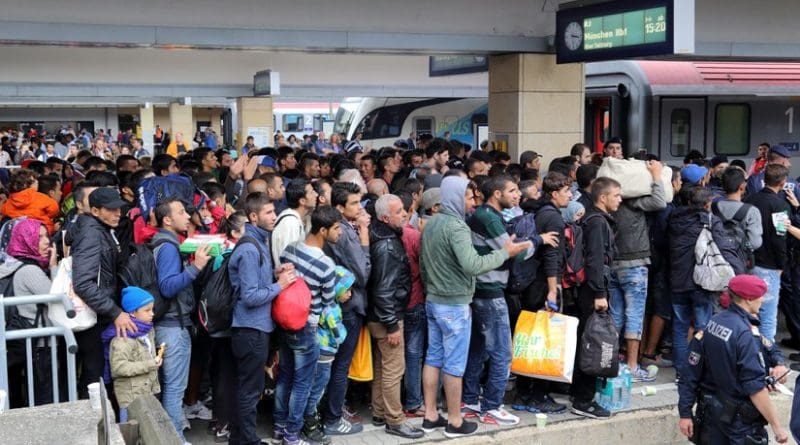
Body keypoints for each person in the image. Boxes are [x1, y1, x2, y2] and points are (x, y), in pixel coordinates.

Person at [419, 176, 531, 438]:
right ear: (455, 198)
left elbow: (424, 264)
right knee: (455, 364)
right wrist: (506, 253)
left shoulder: (433, 222)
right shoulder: (456, 226)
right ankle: (455, 421)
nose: (472, 204)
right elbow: (472, 265)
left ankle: (430, 415)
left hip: (433, 300)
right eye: (468, 198)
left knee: (433, 358)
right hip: (454, 304)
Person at [463, 174, 540, 426]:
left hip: (479, 292)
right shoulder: (488, 217)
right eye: (512, 190)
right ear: (497, 194)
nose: (518, 195)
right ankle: (492, 406)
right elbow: (514, 252)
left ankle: (471, 401)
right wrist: (537, 241)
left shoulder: (485, 215)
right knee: (502, 353)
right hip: (490, 293)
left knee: (478, 350)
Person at [677, 275, 789, 444]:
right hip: (738, 426)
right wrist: (777, 426)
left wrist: (685, 413)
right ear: (749, 299)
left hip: (711, 419)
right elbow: (755, 389)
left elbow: (689, 374)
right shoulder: (744, 334)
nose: (763, 301)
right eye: (761, 296)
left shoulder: (713, 323)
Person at [228, 192, 295, 445]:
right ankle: (248, 441)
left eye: (274, 211)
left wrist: (275, 273)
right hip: (249, 329)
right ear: (253, 217)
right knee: (249, 391)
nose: (274, 216)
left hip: (254, 328)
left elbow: (255, 283)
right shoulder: (249, 248)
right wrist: (280, 284)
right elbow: (250, 296)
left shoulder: (258, 244)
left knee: (247, 388)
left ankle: (240, 439)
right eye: (268, 212)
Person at [276, 205, 342, 445]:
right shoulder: (326, 264)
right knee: (302, 383)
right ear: (323, 230)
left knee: (285, 376)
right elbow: (328, 301)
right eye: (336, 228)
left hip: (284, 322)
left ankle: (279, 425)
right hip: (306, 328)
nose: (340, 233)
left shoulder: (290, 250)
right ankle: (292, 434)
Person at [152, 198, 212, 442]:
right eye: (181, 212)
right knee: (175, 389)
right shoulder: (167, 247)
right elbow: (167, 287)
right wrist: (195, 267)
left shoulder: (165, 242)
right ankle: (175, 438)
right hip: (172, 327)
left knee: (172, 387)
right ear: (167, 219)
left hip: (171, 324)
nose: (188, 216)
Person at [367, 194, 424, 439]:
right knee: (393, 369)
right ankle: (395, 420)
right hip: (386, 317)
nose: (405, 213)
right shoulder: (388, 245)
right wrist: (392, 325)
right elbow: (383, 290)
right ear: (384, 218)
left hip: (378, 315)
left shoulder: (384, 236)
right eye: (399, 211)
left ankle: (380, 412)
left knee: (383, 366)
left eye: (403, 209)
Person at [608, 159, 666, 382]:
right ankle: (632, 366)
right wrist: (656, 175)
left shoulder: (607, 204)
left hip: (613, 264)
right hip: (634, 265)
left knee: (615, 317)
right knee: (634, 316)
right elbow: (660, 201)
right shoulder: (632, 202)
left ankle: (611, 364)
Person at [321, 183, 371, 436]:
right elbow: (363, 273)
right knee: (340, 366)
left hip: (345, 305)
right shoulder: (344, 232)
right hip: (348, 308)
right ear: (339, 207)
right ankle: (332, 418)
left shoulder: (340, 228)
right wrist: (364, 235)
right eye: (354, 203)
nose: (360, 208)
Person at [72, 188, 132, 398]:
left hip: (97, 314)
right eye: (111, 209)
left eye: (119, 208)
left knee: (95, 374)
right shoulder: (92, 234)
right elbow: (83, 283)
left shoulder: (100, 229)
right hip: (93, 317)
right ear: (95, 211)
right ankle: (92, 426)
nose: (118, 213)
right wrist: (114, 312)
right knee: (94, 377)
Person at [570, 177, 622, 418]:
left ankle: (580, 393)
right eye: (616, 195)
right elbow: (596, 260)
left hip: (589, 288)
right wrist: (600, 294)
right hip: (592, 291)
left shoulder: (593, 219)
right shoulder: (598, 222)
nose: (620, 200)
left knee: (588, 339)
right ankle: (583, 399)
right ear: (603, 197)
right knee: (593, 342)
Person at [0, 218, 59, 406]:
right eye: (38, 237)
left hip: (24, 342)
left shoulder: (12, 265)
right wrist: (54, 267)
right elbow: (56, 298)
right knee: (46, 395)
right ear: (25, 240)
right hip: (40, 344)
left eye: (46, 236)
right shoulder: (30, 270)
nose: (46, 241)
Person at [104, 286, 162, 423]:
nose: (152, 313)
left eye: (152, 309)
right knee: (130, 434)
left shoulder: (147, 331)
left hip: (147, 394)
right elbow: (118, 368)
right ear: (132, 313)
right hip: (130, 400)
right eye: (147, 310)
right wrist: (150, 364)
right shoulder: (122, 338)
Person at [271, 178, 317, 266]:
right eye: (311, 192)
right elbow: (289, 259)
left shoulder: (302, 218)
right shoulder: (290, 223)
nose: (316, 194)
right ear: (302, 201)